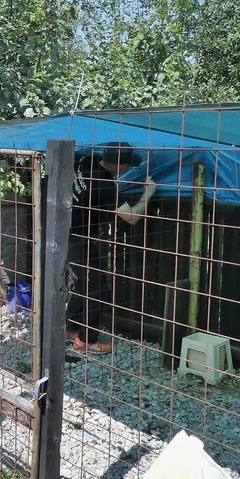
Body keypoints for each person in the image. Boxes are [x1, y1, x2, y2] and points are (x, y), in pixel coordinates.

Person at [66, 141, 157, 354]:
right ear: (117, 166)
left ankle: (70, 328)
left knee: (84, 282)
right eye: (126, 166)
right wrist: (148, 193)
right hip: (80, 238)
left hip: (65, 231)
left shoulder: (86, 161)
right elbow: (131, 217)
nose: (127, 170)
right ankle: (87, 340)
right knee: (97, 288)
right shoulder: (105, 184)